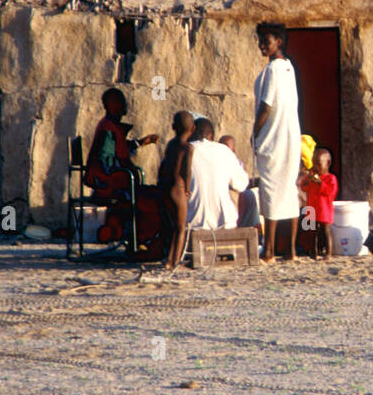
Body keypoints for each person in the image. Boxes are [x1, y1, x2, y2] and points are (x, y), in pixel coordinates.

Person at [83, 88, 158, 247]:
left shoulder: (110, 127)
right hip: (107, 185)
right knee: (145, 199)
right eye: (122, 103)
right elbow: (106, 159)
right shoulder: (107, 129)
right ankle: (138, 239)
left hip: (113, 182)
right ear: (113, 105)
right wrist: (122, 174)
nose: (125, 107)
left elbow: (120, 148)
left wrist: (140, 142)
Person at [252, 23, 301, 262]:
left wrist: (255, 130)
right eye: (260, 41)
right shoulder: (289, 68)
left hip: (274, 138)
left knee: (270, 191)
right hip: (290, 138)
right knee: (288, 191)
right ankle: (290, 251)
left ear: (278, 42)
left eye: (267, 41)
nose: (262, 45)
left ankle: (269, 250)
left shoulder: (273, 69)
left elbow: (266, 105)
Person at [186, 117, 249, 231]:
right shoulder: (224, 151)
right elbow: (242, 185)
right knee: (243, 194)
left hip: (192, 224)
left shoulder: (183, 151)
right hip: (225, 224)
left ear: (191, 133)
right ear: (212, 136)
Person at [158, 110, 195, 270]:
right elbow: (186, 170)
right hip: (178, 188)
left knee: (171, 227)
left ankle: (168, 259)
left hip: (165, 187)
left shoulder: (171, 144)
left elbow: (163, 166)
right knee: (181, 228)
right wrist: (187, 188)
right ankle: (175, 261)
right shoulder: (187, 148)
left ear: (173, 127)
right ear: (193, 129)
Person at [298, 146, 338, 259]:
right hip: (311, 208)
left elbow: (331, 192)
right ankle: (312, 251)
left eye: (318, 165)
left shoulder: (330, 178)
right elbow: (303, 187)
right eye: (314, 164)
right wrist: (307, 180)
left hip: (324, 209)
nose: (316, 167)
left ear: (328, 163)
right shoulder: (311, 176)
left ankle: (328, 252)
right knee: (311, 231)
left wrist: (320, 183)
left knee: (326, 231)